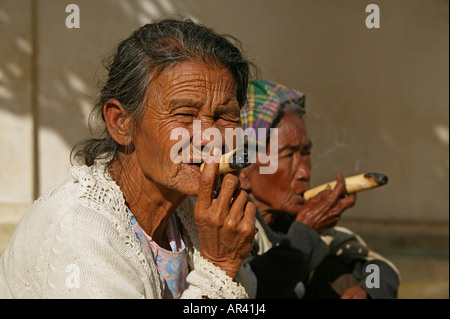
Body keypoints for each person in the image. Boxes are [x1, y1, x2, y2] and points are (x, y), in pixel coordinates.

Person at [0, 19, 257, 299]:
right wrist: (219, 266)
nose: (210, 137)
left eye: (223, 117)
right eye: (185, 113)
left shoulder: (191, 217)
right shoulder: (78, 229)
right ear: (121, 122)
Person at [240, 79, 400, 299]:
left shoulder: (295, 222)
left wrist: (366, 290)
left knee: (336, 270)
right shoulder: (234, 227)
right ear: (244, 172)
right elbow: (254, 290)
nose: (304, 171)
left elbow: (374, 266)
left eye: (305, 153)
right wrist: (306, 231)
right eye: (287, 155)